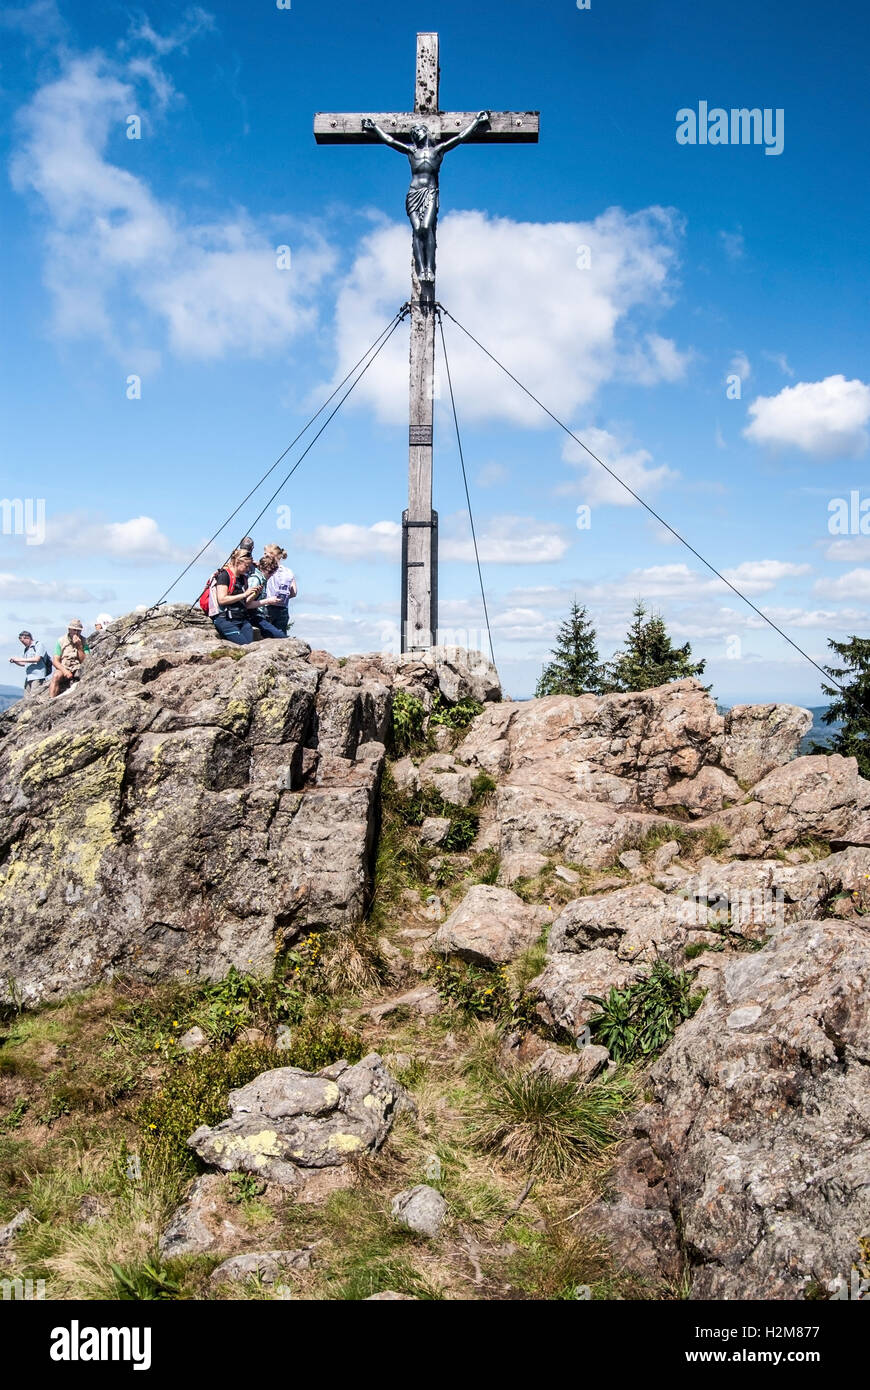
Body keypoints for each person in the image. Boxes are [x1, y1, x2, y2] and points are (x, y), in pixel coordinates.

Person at [207, 549, 258, 645]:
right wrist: (244, 594)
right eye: (246, 566)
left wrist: (254, 594)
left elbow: (245, 602)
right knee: (244, 646)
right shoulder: (224, 575)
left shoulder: (243, 578)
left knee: (250, 647)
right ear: (238, 562)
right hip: (226, 620)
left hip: (242, 620)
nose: (248, 569)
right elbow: (222, 599)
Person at [256, 547, 297, 637]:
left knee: (266, 636)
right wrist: (281, 598)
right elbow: (294, 593)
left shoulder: (269, 570)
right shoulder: (288, 571)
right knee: (281, 637)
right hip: (283, 608)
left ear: (271, 555)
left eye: (265, 554)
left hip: (268, 606)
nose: (264, 556)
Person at [50, 619, 90, 698]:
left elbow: (85, 661)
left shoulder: (85, 641)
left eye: (78, 631)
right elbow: (55, 661)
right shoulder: (61, 641)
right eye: (74, 630)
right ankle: (51, 699)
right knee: (56, 676)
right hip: (64, 666)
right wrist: (65, 671)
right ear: (69, 630)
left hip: (78, 667)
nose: (76, 633)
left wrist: (79, 647)